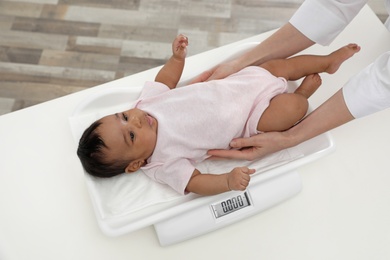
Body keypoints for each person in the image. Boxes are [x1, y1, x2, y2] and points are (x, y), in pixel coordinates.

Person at [77, 34, 360, 196]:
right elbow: (195, 181)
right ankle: (302, 95)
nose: (135, 120)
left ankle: (327, 61)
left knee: (279, 66)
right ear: (135, 164)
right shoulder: (162, 164)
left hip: (239, 83)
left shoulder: (147, 102)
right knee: (291, 110)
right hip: (252, 118)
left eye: (123, 116)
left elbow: (166, 80)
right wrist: (226, 182)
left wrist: (176, 59)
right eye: (131, 135)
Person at [202, 0, 390, 161]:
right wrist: (239, 64)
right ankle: (320, 71)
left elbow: (383, 84)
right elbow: (333, 4)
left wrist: (290, 137)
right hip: (236, 107)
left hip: (235, 108)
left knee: (288, 104)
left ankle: (321, 69)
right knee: (275, 72)